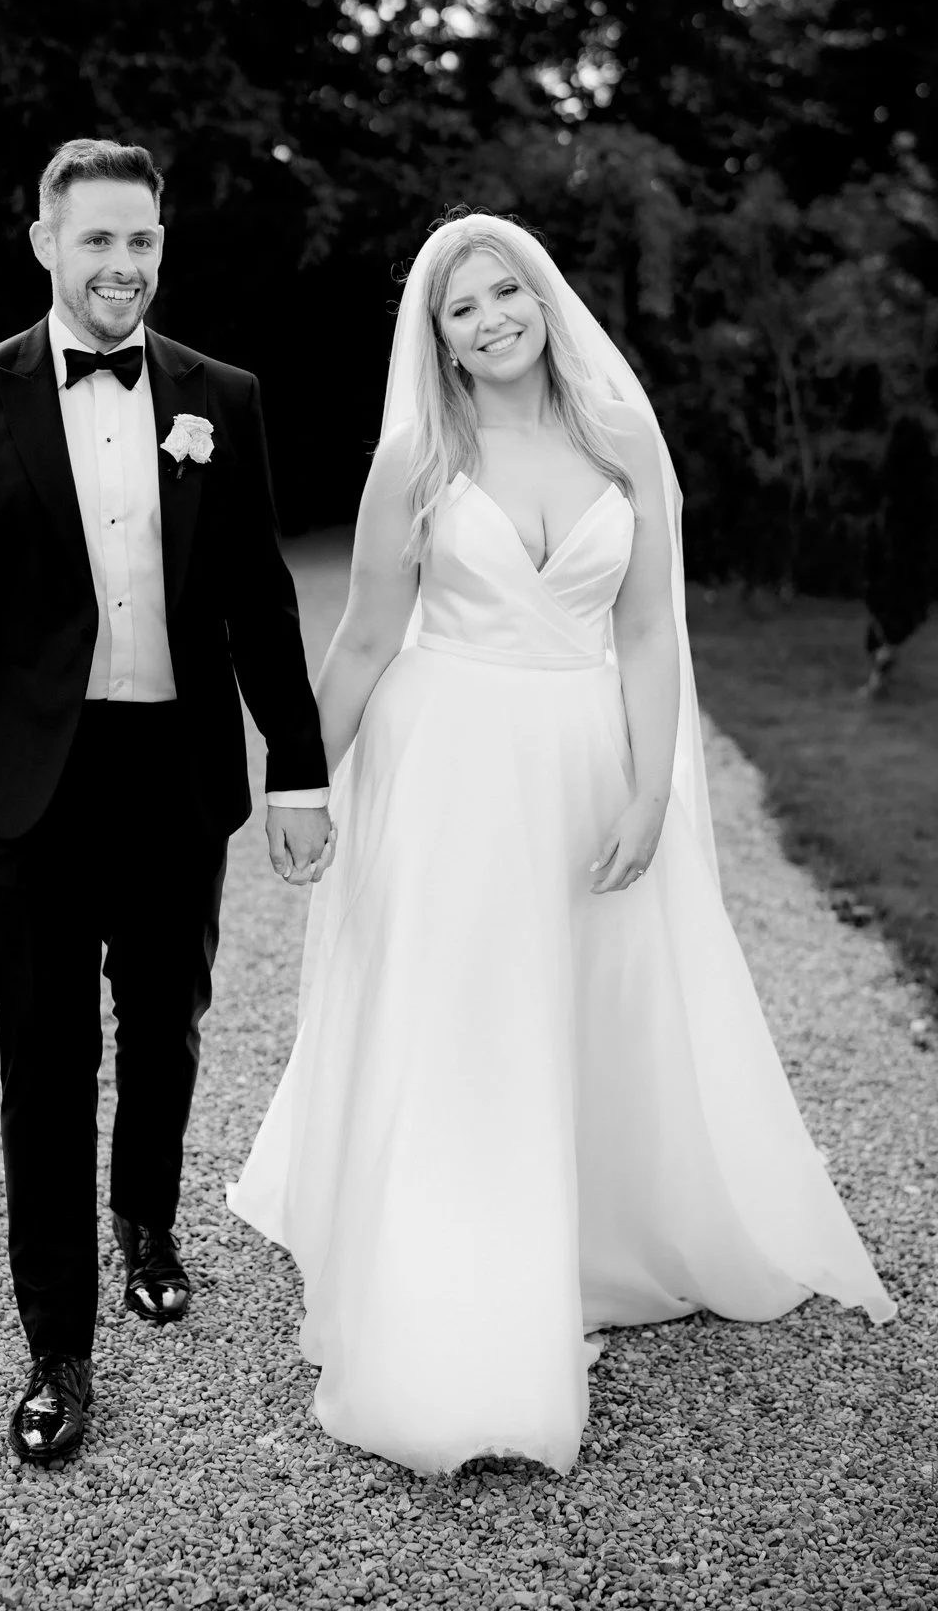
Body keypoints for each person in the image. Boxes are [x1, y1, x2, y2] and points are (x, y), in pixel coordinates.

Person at [227, 209, 895, 1476]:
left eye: (507, 293)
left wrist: (651, 790)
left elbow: (647, 633)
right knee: (465, 1007)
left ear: (543, 299)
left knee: (591, 990)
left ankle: (593, 1226)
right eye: (462, 307)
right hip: (450, 765)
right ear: (440, 338)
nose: (491, 320)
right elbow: (365, 637)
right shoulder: (417, 459)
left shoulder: (620, 436)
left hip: (586, 760)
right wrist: (299, 781)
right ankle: (458, 1250)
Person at [0, 138, 335, 1465]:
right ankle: (57, 1346)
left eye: (141, 241)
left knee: (167, 1029)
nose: (122, 265)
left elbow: (261, 602)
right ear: (45, 245)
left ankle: (148, 1222)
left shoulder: (221, 396)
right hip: (29, 786)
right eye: (97, 241)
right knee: (46, 1062)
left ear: (161, 246)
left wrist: (298, 768)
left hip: (177, 772)